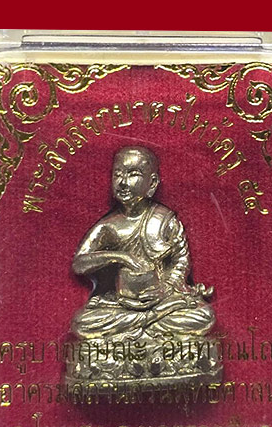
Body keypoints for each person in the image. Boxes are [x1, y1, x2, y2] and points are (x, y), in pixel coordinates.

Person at [71, 146, 215, 342]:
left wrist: (166, 288)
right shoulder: (108, 226)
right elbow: (79, 264)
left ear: (152, 183)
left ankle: (136, 328)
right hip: (121, 303)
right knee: (82, 322)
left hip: (161, 299)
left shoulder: (164, 220)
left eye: (133, 174)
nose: (123, 182)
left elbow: (181, 261)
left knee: (203, 316)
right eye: (117, 174)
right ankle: (149, 324)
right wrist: (119, 257)